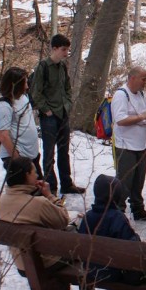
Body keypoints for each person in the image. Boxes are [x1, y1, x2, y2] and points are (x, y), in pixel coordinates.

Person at [0, 156, 70, 290]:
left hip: (22, 263)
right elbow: (63, 219)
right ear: (27, 175)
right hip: (47, 262)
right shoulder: (38, 203)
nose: (37, 175)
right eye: (34, 172)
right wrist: (49, 195)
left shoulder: (1, 202)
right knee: (78, 240)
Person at [78, 175, 146, 290]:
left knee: (118, 264)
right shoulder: (117, 218)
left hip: (90, 269)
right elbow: (133, 247)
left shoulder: (88, 217)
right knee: (128, 270)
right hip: (111, 272)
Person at [31, 33, 84, 194]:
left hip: (63, 114)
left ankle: (66, 184)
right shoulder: (43, 66)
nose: (66, 53)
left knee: (64, 151)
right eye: (63, 49)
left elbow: (67, 88)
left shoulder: (62, 66)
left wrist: (67, 104)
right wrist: (45, 109)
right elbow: (35, 92)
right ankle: (51, 185)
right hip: (49, 116)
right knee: (49, 153)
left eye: (67, 50)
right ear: (54, 49)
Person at [112, 66, 146, 221]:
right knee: (124, 182)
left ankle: (138, 210)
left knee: (138, 181)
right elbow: (120, 120)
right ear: (132, 78)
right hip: (125, 146)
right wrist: (142, 116)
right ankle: (118, 211)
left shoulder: (140, 94)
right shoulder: (121, 95)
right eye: (143, 79)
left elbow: (142, 114)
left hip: (140, 145)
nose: (145, 82)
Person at [0, 67, 41, 176]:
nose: (27, 86)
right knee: (21, 191)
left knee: (38, 191)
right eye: (24, 83)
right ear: (14, 85)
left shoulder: (23, 97)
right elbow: (3, 136)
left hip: (31, 155)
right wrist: (18, 160)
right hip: (18, 158)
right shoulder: (4, 105)